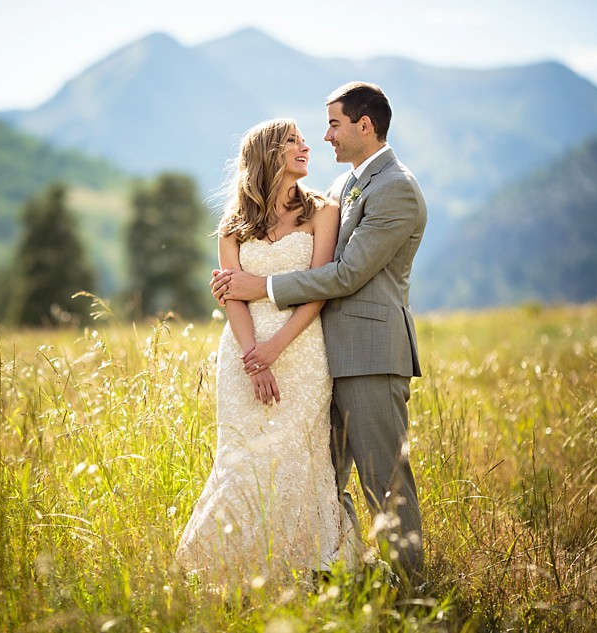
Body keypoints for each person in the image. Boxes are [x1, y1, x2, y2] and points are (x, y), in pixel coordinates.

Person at [210, 82, 427, 576]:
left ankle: (414, 589)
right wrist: (232, 287)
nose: (325, 136)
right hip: (321, 358)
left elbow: (348, 274)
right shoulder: (341, 188)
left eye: (333, 124)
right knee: (318, 479)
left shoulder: (396, 188)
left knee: (385, 480)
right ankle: (333, 572)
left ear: (363, 125)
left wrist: (258, 285)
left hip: (370, 353)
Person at [175, 118, 359, 586]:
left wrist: (275, 347)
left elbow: (319, 289)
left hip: (301, 349)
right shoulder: (232, 226)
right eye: (294, 140)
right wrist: (254, 357)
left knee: (298, 451)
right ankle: (230, 567)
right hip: (243, 354)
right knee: (242, 455)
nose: (306, 146)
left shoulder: (323, 210)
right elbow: (231, 296)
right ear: (270, 153)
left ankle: (305, 566)